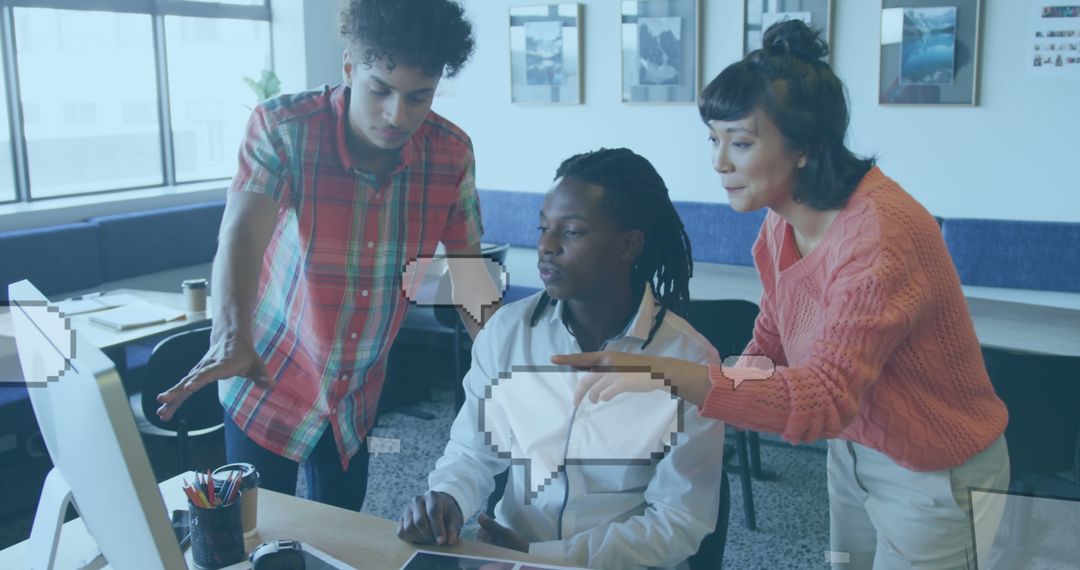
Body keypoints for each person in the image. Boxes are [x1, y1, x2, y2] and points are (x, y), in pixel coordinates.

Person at [555, 21, 1010, 569]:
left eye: (740, 143)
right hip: (856, 447)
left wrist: (679, 378)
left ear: (804, 148)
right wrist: (685, 397)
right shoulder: (781, 221)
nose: (719, 162)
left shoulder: (878, 235)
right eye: (715, 140)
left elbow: (823, 396)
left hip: (934, 465)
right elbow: (772, 341)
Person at [155, 0, 497, 512]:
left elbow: (469, 273)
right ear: (348, 67)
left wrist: (509, 370)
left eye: (418, 97)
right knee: (257, 534)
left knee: (341, 537)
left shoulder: (451, 152)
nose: (395, 115)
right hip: (265, 376)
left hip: (355, 397)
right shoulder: (283, 127)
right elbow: (241, 235)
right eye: (379, 90)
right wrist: (230, 336)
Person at [396, 148, 727, 569]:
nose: (545, 247)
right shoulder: (508, 332)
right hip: (505, 555)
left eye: (571, 232)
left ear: (628, 245)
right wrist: (448, 498)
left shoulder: (687, 362)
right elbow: (472, 451)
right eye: (543, 228)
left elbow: (678, 521)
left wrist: (547, 559)